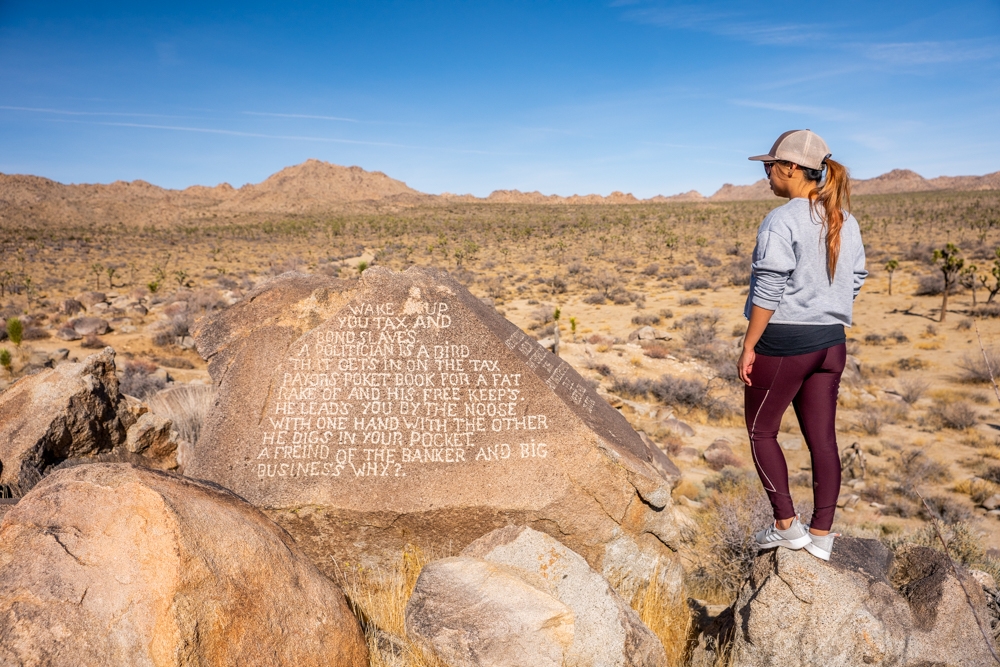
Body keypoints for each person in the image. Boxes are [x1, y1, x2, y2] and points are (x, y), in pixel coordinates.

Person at [739, 129, 867, 561]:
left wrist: (749, 345)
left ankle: (786, 527)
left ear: (791, 168)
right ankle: (822, 536)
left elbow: (769, 288)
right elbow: (858, 277)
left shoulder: (782, 219)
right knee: (823, 440)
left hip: (786, 343)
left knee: (761, 430)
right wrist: (827, 305)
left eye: (769, 167)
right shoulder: (845, 220)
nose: (766, 176)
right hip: (832, 344)